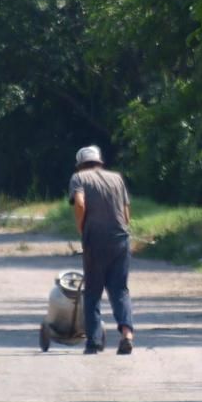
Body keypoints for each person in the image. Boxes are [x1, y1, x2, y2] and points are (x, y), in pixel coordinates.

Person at [68, 145, 134, 355]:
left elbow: (79, 203)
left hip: (95, 240)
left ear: (80, 165)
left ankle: (94, 342)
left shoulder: (79, 178)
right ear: (100, 162)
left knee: (93, 292)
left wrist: (82, 228)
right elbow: (126, 213)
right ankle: (127, 334)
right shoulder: (116, 178)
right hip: (121, 238)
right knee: (120, 289)